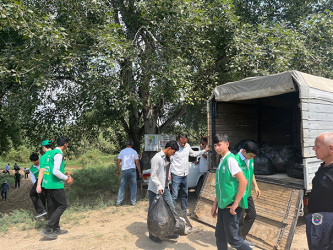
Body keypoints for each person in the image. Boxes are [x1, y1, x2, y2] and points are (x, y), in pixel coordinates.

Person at [210, 133, 251, 250]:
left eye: (219, 145)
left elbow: (243, 181)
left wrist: (236, 203)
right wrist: (215, 204)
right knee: (220, 236)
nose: (217, 148)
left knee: (233, 239)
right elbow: (221, 186)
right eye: (215, 145)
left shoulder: (230, 160)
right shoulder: (222, 160)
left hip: (231, 206)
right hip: (223, 205)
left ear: (227, 144)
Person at [37, 136, 74, 240]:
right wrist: (66, 178)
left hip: (48, 183)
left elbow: (49, 169)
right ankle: (48, 229)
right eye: (67, 143)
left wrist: (63, 173)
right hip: (55, 184)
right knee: (62, 205)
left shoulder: (50, 154)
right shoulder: (58, 154)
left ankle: (56, 228)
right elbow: (55, 171)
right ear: (65, 144)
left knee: (53, 207)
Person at [148, 140, 179, 243]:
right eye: (173, 152)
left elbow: (167, 170)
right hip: (155, 189)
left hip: (165, 188)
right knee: (153, 212)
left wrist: (168, 176)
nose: (173, 154)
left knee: (171, 208)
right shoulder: (157, 158)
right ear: (169, 148)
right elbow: (153, 175)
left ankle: (169, 232)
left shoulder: (168, 158)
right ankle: (153, 234)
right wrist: (159, 186)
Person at [306, 132, 333, 249]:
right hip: (317, 221)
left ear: (331, 148)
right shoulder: (323, 167)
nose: (313, 148)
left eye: (317, 146)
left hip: (328, 225)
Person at [171, 133, 209, 213]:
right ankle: (173, 213)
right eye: (182, 143)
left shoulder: (187, 146)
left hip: (184, 175)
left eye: (185, 142)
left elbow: (194, 153)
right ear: (178, 140)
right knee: (174, 195)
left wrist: (204, 151)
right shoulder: (174, 147)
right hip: (176, 174)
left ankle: (183, 212)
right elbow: (169, 160)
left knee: (185, 194)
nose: (183, 144)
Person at [235, 141, 260, 248]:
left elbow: (251, 172)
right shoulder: (235, 160)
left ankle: (240, 236)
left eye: (253, 156)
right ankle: (240, 240)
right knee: (239, 219)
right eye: (251, 156)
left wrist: (256, 186)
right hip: (239, 194)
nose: (252, 158)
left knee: (252, 214)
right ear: (244, 151)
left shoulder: (250, 159)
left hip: (248, 192)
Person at [116, 139, 142, 206]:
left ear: (126, 144)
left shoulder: (122, 151)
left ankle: (118, 202)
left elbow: (118, 161)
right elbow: (137, 162)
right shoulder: (134, 152)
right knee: (133, 186)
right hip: (132, 170)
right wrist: (139, 172)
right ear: (132, 145)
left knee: (122, 186)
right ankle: (133, 202)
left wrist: (117, 170)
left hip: (124, 170)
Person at [29, 152, 47, 218]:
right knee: (42, 199)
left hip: (47, 181)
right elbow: (33, 179)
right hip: (39, 184)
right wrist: (38, 185)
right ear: (32, 161)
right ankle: (44, 214)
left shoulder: (44, 163)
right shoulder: (31, 169)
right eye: (35, 161)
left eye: (37, 159)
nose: (37, 161)